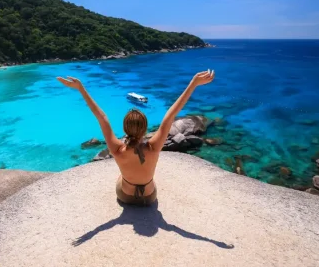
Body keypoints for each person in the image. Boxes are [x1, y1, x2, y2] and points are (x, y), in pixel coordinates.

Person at [57, 69, 215, 206]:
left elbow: (102, 117)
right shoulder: (154, 147)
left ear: (125, 129)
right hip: (149, 197)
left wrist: (80, 88)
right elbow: (171, 114)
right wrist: (194, 83)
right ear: (145, 128)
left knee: (121, 176)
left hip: (125, 196)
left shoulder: (118, 149)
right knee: (149, 181)